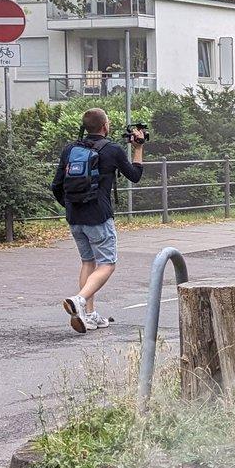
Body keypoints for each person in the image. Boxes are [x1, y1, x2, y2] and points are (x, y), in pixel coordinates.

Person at [51, 106, 145, 332]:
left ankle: (89, 315)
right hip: (99, 217)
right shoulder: (112, 149)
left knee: (87, 262)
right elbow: (135, 176)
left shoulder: (70, 149)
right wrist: (138, 148)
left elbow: (56, 186)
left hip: (75, 217)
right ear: (105, 126)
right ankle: (80, 300)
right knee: (106, 265)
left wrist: (72, 207)